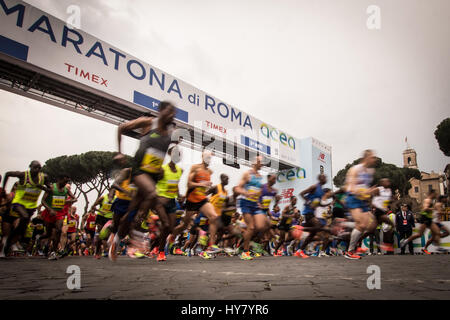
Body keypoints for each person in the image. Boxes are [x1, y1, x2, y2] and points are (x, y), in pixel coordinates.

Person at [114, 102, 177, 262]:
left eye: (173, 113)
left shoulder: (171, 132)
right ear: (161, 111)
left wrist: (161, 168)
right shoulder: (148, 122)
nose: (171, 116)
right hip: (138, 169)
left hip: (153, 175)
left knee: (134, 211)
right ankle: (135, 241)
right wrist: (119, 153)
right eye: (169, 112)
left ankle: (115, 240)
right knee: (152, 194)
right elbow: (121, 128)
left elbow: (161, 152)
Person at [172, 150, 221, 255]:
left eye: (210, 158)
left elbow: (204, 189)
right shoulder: (195, 168)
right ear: (202, 157)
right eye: (207, 157)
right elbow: (189, 184)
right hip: (191, 200)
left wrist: (207, 188)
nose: (209, 159)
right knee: (184, 225)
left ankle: (211, 246)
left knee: (214, 216)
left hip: (202, 199)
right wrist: (201, 185)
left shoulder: (209, 172)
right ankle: (171, 238)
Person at [0, 161, 51, 257]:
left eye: (39, 168)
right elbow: (8, 174)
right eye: (35, 167)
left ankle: (10, 242)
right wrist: (3, 188)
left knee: (22, 229)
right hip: (18, 203)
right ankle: (7, 242)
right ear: (30, 167)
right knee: (24, 216)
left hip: (31, 206)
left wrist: (43, 187)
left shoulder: (43, 177)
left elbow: (50, 190)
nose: (37, 170)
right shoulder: (23, 175)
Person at [343, 150, 378, 260]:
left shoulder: (370, 171)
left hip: (362, 200)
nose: (374, 159)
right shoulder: (355, 169)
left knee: (372, 224)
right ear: (366, 158)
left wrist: (370, 192)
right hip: (353, 198)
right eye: (372, 157)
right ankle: (350, 251)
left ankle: (347, 227)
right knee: (362, 224)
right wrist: (368, 192)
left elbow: (365, 187)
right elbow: (352, 187)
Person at [235, 155, 265, 260]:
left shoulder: (260, 176)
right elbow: (238, 188)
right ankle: (245, 252)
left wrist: (259, 201)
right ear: (255, 163)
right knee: (251, 227)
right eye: (260, 162)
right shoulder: (247, 174)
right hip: (245, 203)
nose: (262, 164)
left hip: (254, 204)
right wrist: (246, 193)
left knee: (261, 226)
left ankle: (245, 234)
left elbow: (258, 191)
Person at [40, 175, 76, 259]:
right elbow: (43, 201)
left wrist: (69, 201)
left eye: (67, 182)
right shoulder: (52, 187)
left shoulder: (66, 190)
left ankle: (53, 251)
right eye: (64, 181)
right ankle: (40, 239)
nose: (65, 183)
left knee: (59, 230)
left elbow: (74, 198)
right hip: (49, 213)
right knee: (48, 234)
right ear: (59, 179)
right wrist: (50, 209)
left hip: (59, 214)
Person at [294, 174, 328, 258]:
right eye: (324, 177)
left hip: (313, 213)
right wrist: (309, 203)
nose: (326, 179)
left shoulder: (322, 191)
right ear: (320, 178)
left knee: (312, 234)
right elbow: (301, 194)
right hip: (307, 212)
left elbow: (318, 203)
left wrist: (327, 204)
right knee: (319, 226)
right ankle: (301, 228)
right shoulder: (314, 187)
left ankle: (299, 251)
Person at [370, 178, 395, 252]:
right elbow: (370, 193)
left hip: (382, 211)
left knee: (369, 231)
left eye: (388, 181)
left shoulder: (389, 190)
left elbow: (387, 200)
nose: (388, 182)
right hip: (378, 211)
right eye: (386, 181)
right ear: (382, 183)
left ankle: (387, 245)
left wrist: (392, 200)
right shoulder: (379, 189)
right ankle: (386, 245)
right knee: (392, 224)